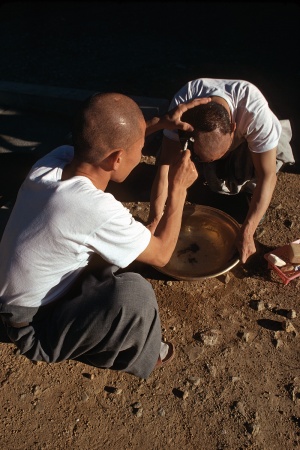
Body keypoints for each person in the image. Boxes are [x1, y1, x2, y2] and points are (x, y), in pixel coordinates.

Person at [0, 92, 210, 379]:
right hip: (31, 327)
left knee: (120, 248)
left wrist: (159, 124)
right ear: (118, 159)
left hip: (14, 298)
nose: (142, 156)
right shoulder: (94, 209)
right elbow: (162, 254)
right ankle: (139, 350)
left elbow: (105, 142)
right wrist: (179, 190)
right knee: (134, 295)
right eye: (140, 149)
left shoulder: (53, 162)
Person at [148, 78, 295, 263]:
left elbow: (268, 176)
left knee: (253, 172)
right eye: (203, 158)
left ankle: (250, 194)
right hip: (212, 143)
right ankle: (209, 167)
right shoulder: (181, 108)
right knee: (197, 168)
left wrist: (248, 231)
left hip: (248, 144)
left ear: (233, 127)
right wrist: (154, 218)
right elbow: (165, 165)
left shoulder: (255, 114)